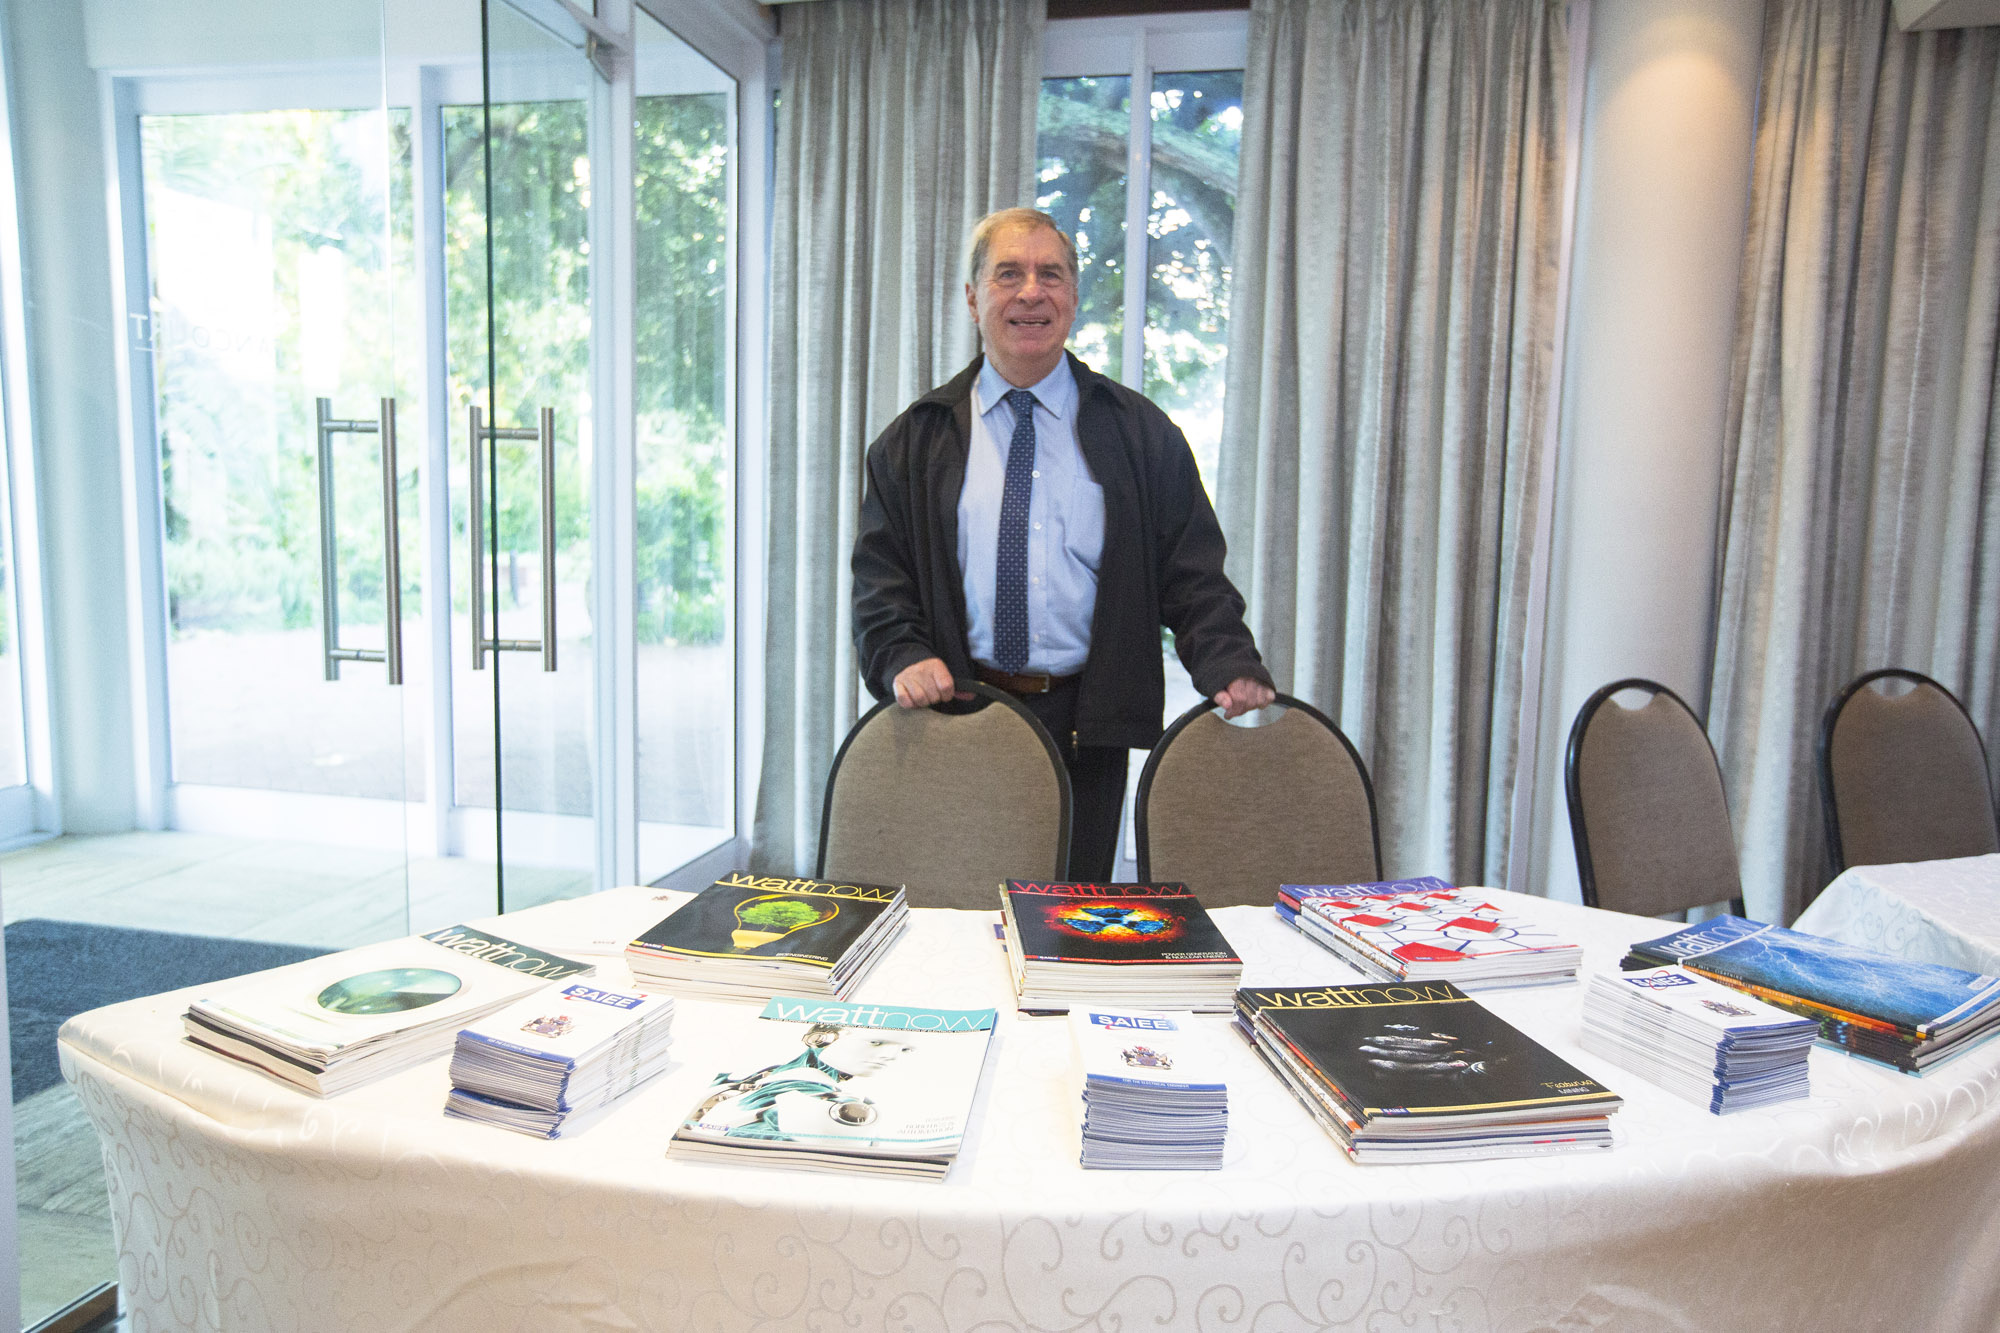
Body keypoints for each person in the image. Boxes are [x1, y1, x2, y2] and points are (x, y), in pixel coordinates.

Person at [851, 207, 1274, 880]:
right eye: (1008, 274)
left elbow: (1191, 571)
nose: (1031, 292)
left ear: (1073, 298)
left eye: (1050, 275)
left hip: (1089, 724)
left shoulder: (1141, 435)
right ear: (973, 299)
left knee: (1071, 915)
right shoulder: (913, 441)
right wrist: (902, 653)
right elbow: (882, 581)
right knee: (960, 904)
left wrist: (1227, 657)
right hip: (956, 714)